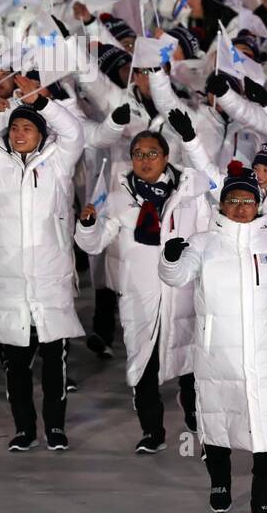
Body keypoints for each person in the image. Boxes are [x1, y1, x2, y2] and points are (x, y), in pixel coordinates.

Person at [158, 162, 267, 513]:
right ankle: (220, 484)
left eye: (248, 201)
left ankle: (262, 504)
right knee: (218, 423)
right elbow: (176, 277)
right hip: (217, 355)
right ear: (222, 205)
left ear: (258, 204)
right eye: (233, 200)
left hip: (266, 355)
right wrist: (170, 257)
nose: (241, 208)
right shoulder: (203, 243)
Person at [75, 111, 215, 452]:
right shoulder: (118, 198)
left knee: (190, 362)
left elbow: (207, 237)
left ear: (166, 157)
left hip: (182, 294)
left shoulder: (189, 193)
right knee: (143, 366)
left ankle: (196, 417)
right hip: (140, 296)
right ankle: (152, 432)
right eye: (138, 154)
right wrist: (88, 225)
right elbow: (93, 244)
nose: (145, 160)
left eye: (152, 153)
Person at [0, 86, 86, 452]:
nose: (19, 133)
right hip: (9, 281)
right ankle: (24, 430)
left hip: (49, 279)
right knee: (15, 366)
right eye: (14, 127)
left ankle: (56, 428)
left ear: (41, 133)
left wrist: (41, 102)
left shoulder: (58, 162)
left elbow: (74, 132)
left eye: (27, 128)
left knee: (54, 364)